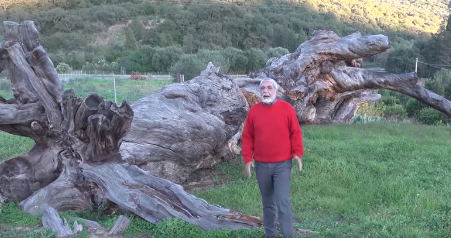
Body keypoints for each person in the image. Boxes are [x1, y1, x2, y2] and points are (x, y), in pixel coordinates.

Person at [241, 78, 304, 238]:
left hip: (282, 165)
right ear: (259, 91)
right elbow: (247, 136)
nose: (266, 91)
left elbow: (295, 132)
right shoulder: (254, 111)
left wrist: (297, 153)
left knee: (283, 203)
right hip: (262, 166)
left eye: (269, 88)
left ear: (276, 91)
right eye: (262, 88)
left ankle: (288, 235)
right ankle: (270, 235)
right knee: (268, 205)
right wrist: (248, 159)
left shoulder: (287, 109)